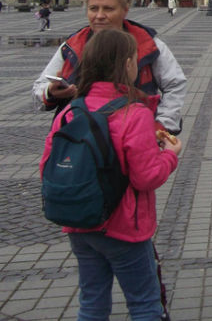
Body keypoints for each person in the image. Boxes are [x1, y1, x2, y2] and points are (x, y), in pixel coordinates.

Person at [40, 29, 182, 320]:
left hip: (80, 224)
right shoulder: (135, 113)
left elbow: (46, 166)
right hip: (125, 228)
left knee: (91, 302)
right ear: (128, 65)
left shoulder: (70, 111)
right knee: (144, 303)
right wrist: (169, 154)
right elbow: (146, 177)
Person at [33, 0, 187, 135]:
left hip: (134, 137)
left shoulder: (147, 43)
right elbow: (39, 88)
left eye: (108, 9)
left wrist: (161, 125)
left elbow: (175, 84)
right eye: (93, 8)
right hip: (82, 140)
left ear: (125, 10)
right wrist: (50, 92)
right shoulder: (73, 45)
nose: (99, 16)